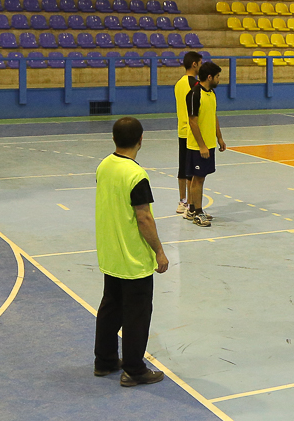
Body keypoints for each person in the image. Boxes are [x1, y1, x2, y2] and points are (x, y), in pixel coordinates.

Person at [93, 116, 170, 387]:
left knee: (110, 308)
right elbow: (143, 218)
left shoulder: (104, 166)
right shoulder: (136, 175)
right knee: (137, 315)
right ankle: (134, 369)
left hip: (110, 252)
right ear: (141, 140)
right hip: (133, 258)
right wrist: (159, 251)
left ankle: (104, 361)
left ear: (114, 139)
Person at [184, 60, 226, 228]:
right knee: (198, 179)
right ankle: (197, 213)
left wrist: (219, 138)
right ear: (209, 77)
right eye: (217, 76)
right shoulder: (194, 94)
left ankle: (193, 209)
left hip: (209, 143)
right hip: (197, 146)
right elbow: (193, 122)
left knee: (200, 178)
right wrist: (201, 145)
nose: (219, 80)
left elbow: (213, 116)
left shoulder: (212, 94)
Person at [173, 50, 201, 215]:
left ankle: (182, 201)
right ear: (194, 64)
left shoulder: (178, 83)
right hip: (191, 131)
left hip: (181, 130)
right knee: (192, 170)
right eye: (200, 63)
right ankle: (191, 205)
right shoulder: (195, 85)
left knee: (182, 167)